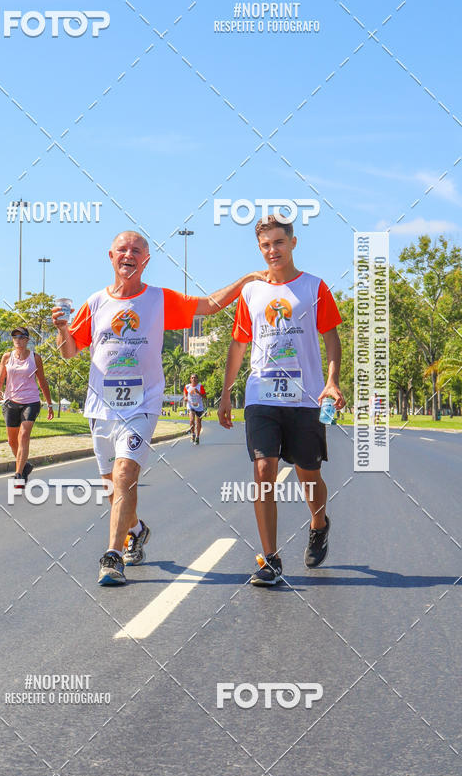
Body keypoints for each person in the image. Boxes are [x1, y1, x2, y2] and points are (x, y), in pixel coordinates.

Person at [53, 230, 266, 586]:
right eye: (122, 249)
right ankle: (136, 530)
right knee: (112, 486)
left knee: (124, 475)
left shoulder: (159, 299)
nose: (129, 255)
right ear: (111, 256)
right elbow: (69, 351)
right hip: (101, 408)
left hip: (143, 404)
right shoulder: (95, 303)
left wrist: (245, 280)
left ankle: (112, 556)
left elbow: (210, 305)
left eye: (137, 250)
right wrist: (62, 328)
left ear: (145, 260)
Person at [218, 216, 345, 586]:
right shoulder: (251, 293)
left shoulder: (314, 287)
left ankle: (319, 522)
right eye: (265, 245)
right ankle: (270, 558)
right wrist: (226, 393)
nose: (272, 250)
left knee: (309, 474)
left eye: (278, 242)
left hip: (306, 398)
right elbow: (238, 345)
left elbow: (332, 339)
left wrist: (332, 382)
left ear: (292, 242)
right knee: (263, 471)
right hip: (261, 394)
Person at [0, 327, 54, 488]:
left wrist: (49, 403)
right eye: (15, 337)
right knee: (12, 441)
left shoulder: (35, 358)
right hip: (10, 402)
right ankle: (25, 466)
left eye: (21, 337)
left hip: (31, 401)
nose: (18, 340)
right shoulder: (7, 357)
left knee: (24, 436)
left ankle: (19, 475)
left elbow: (42, 381)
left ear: (27, 340)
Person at [183, 373, 207, 444]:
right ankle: (193, 434)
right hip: (191, 406)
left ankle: (197, 437)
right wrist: (185, 397)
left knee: (198, 422)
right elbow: (185, 393)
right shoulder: (187, 386)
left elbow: (205, 396)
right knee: (191, 420)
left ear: (197, 379)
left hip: (199, 407)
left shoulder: (200, 387)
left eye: (195, 378)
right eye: (192, 378)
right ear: (190, 379)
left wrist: (199, 393)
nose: (194, 379)